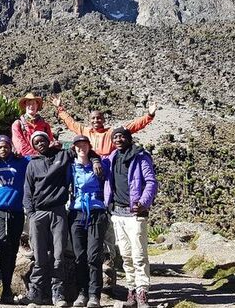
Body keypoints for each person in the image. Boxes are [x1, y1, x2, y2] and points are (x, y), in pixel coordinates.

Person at [51, 96, 157, 292]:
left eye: (99, 118)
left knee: (108, 234)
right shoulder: (85, 132)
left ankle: (112, 269)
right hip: (88, 178)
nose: (96, 121)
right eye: (93, 119)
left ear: (103, 119)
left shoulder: (111, 134)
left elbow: (132, 127)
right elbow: (71, 124)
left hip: (106, 176)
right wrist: (60, 109)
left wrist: (149, 115)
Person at [22, 131, 100, 307]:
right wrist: (31, 213)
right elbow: (27, 190)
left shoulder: (62, 155)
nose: (40, 144)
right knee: (39, 255)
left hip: (58, 212)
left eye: (43, 140)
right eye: (36, 142)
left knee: (59, 255)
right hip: (38, 213)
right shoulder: (32, 164)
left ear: (49, 141)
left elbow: (83, 150)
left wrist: (95, 160)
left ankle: (58, 293)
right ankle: (36, 292)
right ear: (34, 145)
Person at [106, 127, 158, 308]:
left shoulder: (140, 157)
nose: (118, 139)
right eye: (115, 137)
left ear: (128, 138)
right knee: (126, 255)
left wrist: (143, 202)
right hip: (117, 213)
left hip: (136, 214)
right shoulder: (112, 158)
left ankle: (143, 292)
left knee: (139, 255)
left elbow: (151, 181)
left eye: (122, 136)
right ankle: (131, 292)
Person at [0, 135, 28, 304]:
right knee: (2, 245)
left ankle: (7, 287)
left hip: (16, 211)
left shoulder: (21, 163)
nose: (3, 149)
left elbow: (35, 157)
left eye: (6, 146)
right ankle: (5, 288)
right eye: (0, 147)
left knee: (13, 248)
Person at [68, 136, 111, 308]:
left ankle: (94, 295)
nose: (81, 148)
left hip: (96, 211)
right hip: (77, 212)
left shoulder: (100, 165)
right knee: (79, 256)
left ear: (89, 146)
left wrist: (95, 159)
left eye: (84, 145)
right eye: (78, 146)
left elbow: (110, 179)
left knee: (94, 256)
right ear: (74, 148)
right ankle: (82, 293)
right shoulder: (70, 167)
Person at [12, 93, 54, 157]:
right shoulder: (17, 124)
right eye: (29, 104)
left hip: (45, 158)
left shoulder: (45, 125)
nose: (31, 106)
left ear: (37, 105)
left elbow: (50, 142)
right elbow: (20, 145)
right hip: (27, 160)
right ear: (25, 105)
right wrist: (35, 155)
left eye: (34, 103)